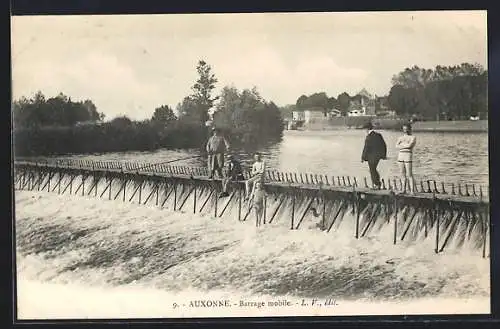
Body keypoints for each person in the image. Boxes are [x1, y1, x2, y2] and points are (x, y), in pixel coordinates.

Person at [361, 121, 387, 189]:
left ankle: (377, 184)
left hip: (371, 157)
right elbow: (384, 145)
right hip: (378, 156)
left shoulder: (368, 137)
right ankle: (377, 183)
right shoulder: (378, 135)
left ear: (367, 129)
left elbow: (366, 148)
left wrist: (363, 157)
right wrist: (383, 155)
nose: (365, 130)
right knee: (373, 169)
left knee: (372, 169)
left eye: (365, 129)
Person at [396, 123, 417, 194]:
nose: (405, 130)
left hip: (408, 155)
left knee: (409, 174)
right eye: (404, 129)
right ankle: (403, 189)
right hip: (400, 155)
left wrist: (402, 144)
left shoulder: (413, 137)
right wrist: (405, 145)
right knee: (402, 173)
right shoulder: (400, 138)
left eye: (406, 129)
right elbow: (396, 146)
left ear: (409, 129)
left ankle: (412, 191)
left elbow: (410, 145)